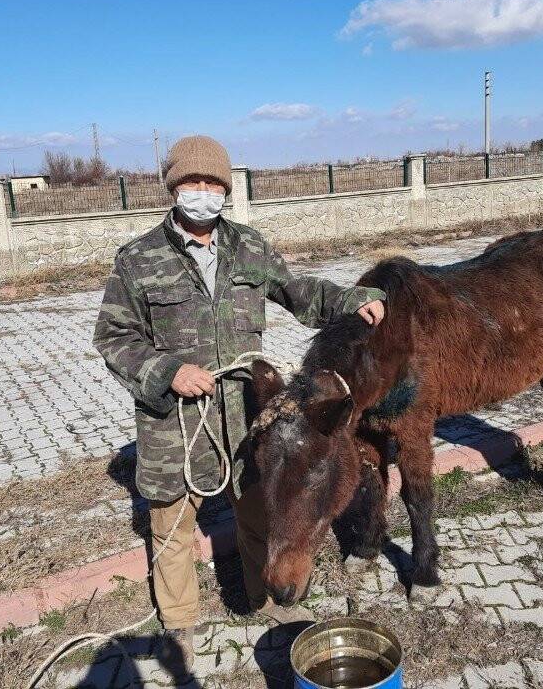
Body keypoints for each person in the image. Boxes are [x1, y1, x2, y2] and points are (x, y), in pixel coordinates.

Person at [93, 135, 386, 669]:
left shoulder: (249, 247)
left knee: (257, 514)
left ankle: (258, 598)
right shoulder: (138, 259)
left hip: (252, 420)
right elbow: (114, 338)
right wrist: (168, 371)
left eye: (213, 184)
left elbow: (301, 292)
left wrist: (353, 300)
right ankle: (180, 625)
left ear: (225, 189)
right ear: (173, 187)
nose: (203, 193)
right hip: (175, 425)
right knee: (173, 526)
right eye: (191, 183)